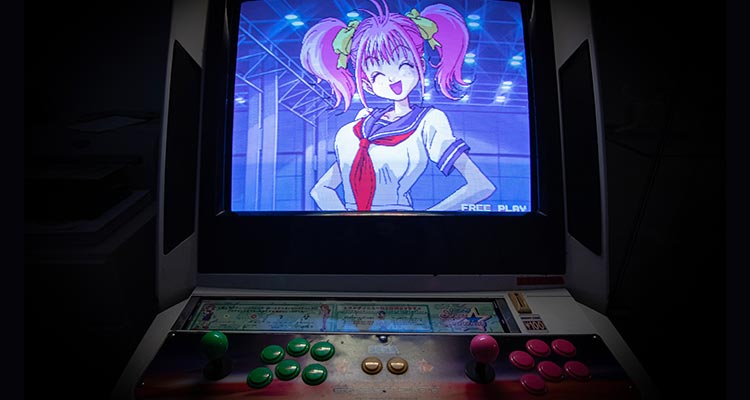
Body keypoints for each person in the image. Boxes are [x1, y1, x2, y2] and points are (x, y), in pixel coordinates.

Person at [301, 0, 495, 211]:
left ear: (420, 65)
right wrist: (346, 222)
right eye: (377, 73)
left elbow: (480, 185)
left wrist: (424, 220)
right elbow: (321, 189)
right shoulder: (358, 127)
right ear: (366, 83)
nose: (392, 78)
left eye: (404, 64)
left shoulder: (428, 121)